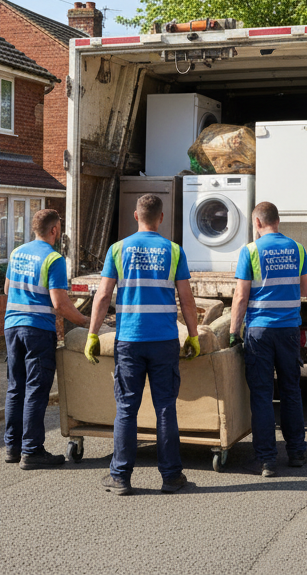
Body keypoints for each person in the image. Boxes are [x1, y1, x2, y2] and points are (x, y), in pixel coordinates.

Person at [86, 193, 200, 496]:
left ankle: (120, 477)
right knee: (165, 408)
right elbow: (186, 299)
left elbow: (103, 296)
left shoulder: (118, 249)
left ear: (136, 216)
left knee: (126, 409)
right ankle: (171, 477)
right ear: (161, 218)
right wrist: (194, 335)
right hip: (164, 340)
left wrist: (92, 334)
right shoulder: (174, 251)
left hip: (129, 340)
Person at [228, 201, 307, 478]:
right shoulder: (297, 249)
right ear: (278, 221)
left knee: (262, 396)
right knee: (291, 390)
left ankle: (265, 460)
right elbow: (306, 290)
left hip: (259, 332)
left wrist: (232, 331)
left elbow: (240, 297)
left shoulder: (250, 251)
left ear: (258, 223)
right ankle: (297, 452)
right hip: (289, 331)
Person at [2, 208, 89, 469]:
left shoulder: (17, 253)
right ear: (54, 230)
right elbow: (60, 305)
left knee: (15, 387)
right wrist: (86, 322)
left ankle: (12, 447)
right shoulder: (54, 259)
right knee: (36, 390)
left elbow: (7, 289)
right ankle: (32, 451)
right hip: (37, 330)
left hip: (11, 327)